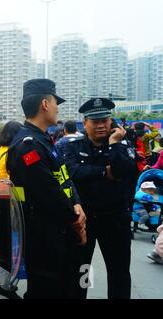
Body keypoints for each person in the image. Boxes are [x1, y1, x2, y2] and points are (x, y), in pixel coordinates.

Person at [6, 79, 86, 299]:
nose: (57, 108)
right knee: (47, 291)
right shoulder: (28, 145)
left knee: (70, 287)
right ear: (44, 104)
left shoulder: (45, 140)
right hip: (46, 239)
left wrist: (77, 203)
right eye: (55, 102)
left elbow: (64, 179)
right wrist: (76, 220)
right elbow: (48, 194)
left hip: (61, 232)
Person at [63, 98, 137, 299]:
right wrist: (105, 173)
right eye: (95, 121)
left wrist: (114, 145)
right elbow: (72, 171)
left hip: (115, 219)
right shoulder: (72, 146)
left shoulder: (121, 145)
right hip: (84, 220)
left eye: (105, 120)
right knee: (81, 269)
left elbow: (126, 170)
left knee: (119, 271)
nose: (101, 125)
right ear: (85, 123)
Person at [0, 120, 23, 299]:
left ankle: (2, 282)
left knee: (4, 245)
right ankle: (2, 284)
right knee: (9, 246)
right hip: (9, 204)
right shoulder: (12, 152)